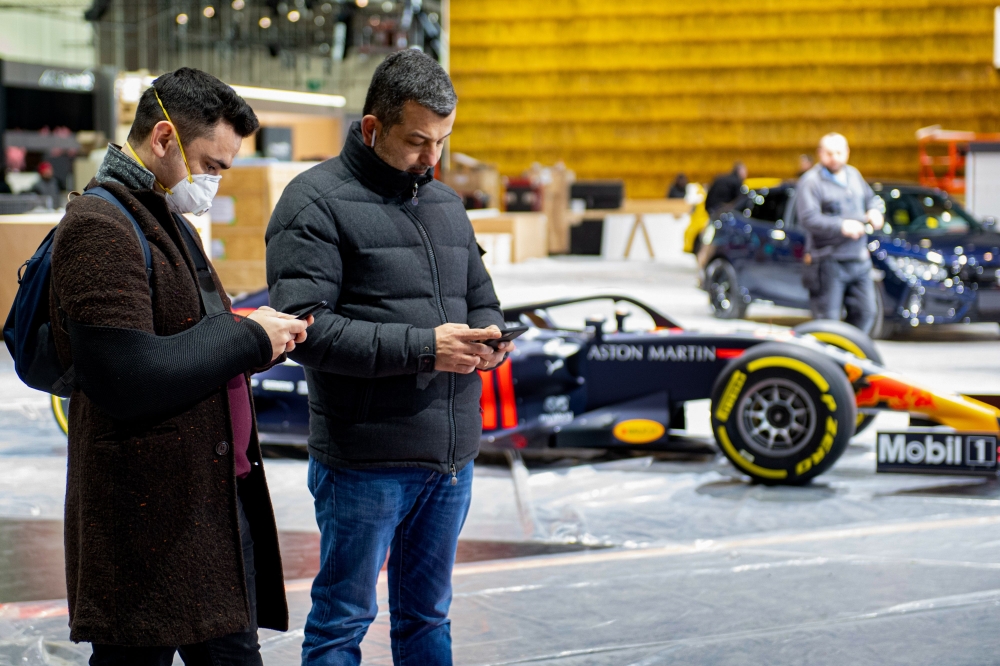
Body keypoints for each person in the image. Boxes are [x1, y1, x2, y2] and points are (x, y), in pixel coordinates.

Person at [49, 67, 309, 664]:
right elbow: (127, 376)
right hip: (147, 526)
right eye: (212, 164)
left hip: (205, 511)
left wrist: (263, 341)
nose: (216, 181)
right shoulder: (100, 225)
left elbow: (192, 345)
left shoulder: (163, 217)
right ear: (164, 139)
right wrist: (247, 339)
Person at [265, 50, 512, 665]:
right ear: (372, 129)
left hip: (450, 459)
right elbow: (307, 333)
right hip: (365, 463)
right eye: (417, 142)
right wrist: (428, 348)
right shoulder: (312, 203)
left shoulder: (447, 206)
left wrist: (492, 338)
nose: (431, 159)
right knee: (342, 624)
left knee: (428, 619)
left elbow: (482, 299)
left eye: (443, 142)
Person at [795, 132, 885, 334]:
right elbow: (808, 219)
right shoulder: (811, 182)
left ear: (847, 152)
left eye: (838, 152)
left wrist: (875, 211)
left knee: (866, 313)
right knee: (828, 322)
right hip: (828, 260)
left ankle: (850, 357)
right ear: (820, 153)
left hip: (858, 259)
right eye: (828, 153)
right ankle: (829, 362)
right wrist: (841, 226)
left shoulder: (853, 174)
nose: (834, 157)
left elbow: (872, 199)